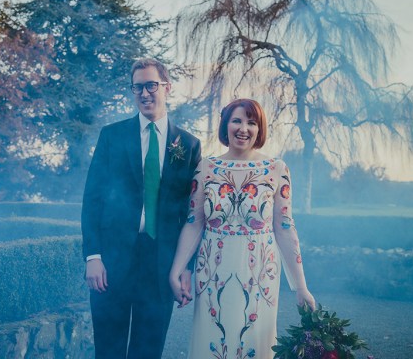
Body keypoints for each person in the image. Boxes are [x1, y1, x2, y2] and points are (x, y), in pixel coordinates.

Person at [169, 98, 316, 359]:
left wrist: (301, 286)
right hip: (212, 271)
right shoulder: (206, 168)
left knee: (255, 344)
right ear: (225, 125)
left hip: (259, 273)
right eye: (237, 120)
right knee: (211, 343)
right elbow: (194, 223)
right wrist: (176, 271)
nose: (243, 128)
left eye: (252, 123)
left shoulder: (277, 169)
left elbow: (284, 228)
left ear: (260, 130)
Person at [81, 58, 202, 359]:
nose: (145, 94)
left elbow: (193, 213)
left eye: (151, 85)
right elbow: (92, 199)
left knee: (148, 352)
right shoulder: (112, 136)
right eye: (138, 87)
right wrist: (93, 256)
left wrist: (186, 267)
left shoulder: (188, 145)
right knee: (108, 350)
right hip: (112, 260)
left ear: (167, 88)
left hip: (161, 265)